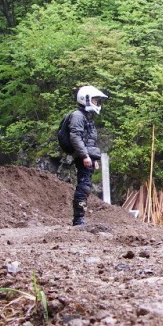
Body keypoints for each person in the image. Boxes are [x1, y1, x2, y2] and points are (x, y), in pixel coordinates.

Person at [67, 85, 108, 226]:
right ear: (86, 99)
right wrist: (85, 156)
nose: (97, 103)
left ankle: (80, 218)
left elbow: (90, 140)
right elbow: (76, 137)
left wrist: (93, 158)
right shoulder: (78, 116)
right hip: (82, 156)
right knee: (83, 186)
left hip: (87, 156)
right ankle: (78, 219)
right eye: (95, 100)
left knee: (86, 185)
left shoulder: (86, 117)